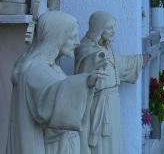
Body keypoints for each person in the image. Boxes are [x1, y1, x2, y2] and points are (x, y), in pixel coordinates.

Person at [6, 11, 106, 154]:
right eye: (72, 37)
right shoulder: (35, 70)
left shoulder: (51, 66)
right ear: (57, 37)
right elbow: (49, 101)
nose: (77, 42)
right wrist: (86, 82)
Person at [75, 11, 146, 154]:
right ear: (98, 28)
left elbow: (121, 64)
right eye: (109, 28)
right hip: (97, 104)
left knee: (113, 141)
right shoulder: (87, 49)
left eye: (114, 27)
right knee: (101, 144)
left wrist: (141, 59)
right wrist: (97, 59)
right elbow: (87, 68)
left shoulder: (107, 47)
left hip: (112, 101)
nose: (114, 31)